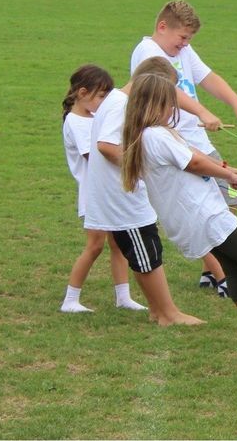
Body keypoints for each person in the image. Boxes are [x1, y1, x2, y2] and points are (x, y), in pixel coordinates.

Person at [122, 73, 237, 345]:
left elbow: (195, 159)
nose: (173, 109)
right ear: (153, 104)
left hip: (190, 218)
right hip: (203, 213)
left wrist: (224, 171)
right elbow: (193, 164)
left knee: (233, 266)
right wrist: (229, 177)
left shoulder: (144, 136)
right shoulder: (156, 135)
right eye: (169, 104)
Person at [130, 0, 237, 297]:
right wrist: (202, 111)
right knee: (212, 209)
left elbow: (206, 77)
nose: (185, 44)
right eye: (182, 38)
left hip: (198, 142)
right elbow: (167, 89)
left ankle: (210, 271)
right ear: (162, 27)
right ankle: (224, 275)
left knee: (227, 202)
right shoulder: (147, 52)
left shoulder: (183, 50)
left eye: (189, 39)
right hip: (176, 144)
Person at [83, 57, 202, 327]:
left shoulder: (117, 101)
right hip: (122, 199)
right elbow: (106, 145)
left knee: (144, 251)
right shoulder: (120, 105)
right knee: (147, 251)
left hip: (123, 195)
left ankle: (158, 310)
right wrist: (140, 165)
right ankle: (168, 313)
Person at [59, 64, 145, 313]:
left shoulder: (94, 118)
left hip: (107, 191)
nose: (104, 101)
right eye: (100, 96)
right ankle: (70, 300)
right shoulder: (76, 122)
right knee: (94, 246)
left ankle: (123, 296)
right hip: (94, 194)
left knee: (118, 244)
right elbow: (95, 155)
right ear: (82, 93)